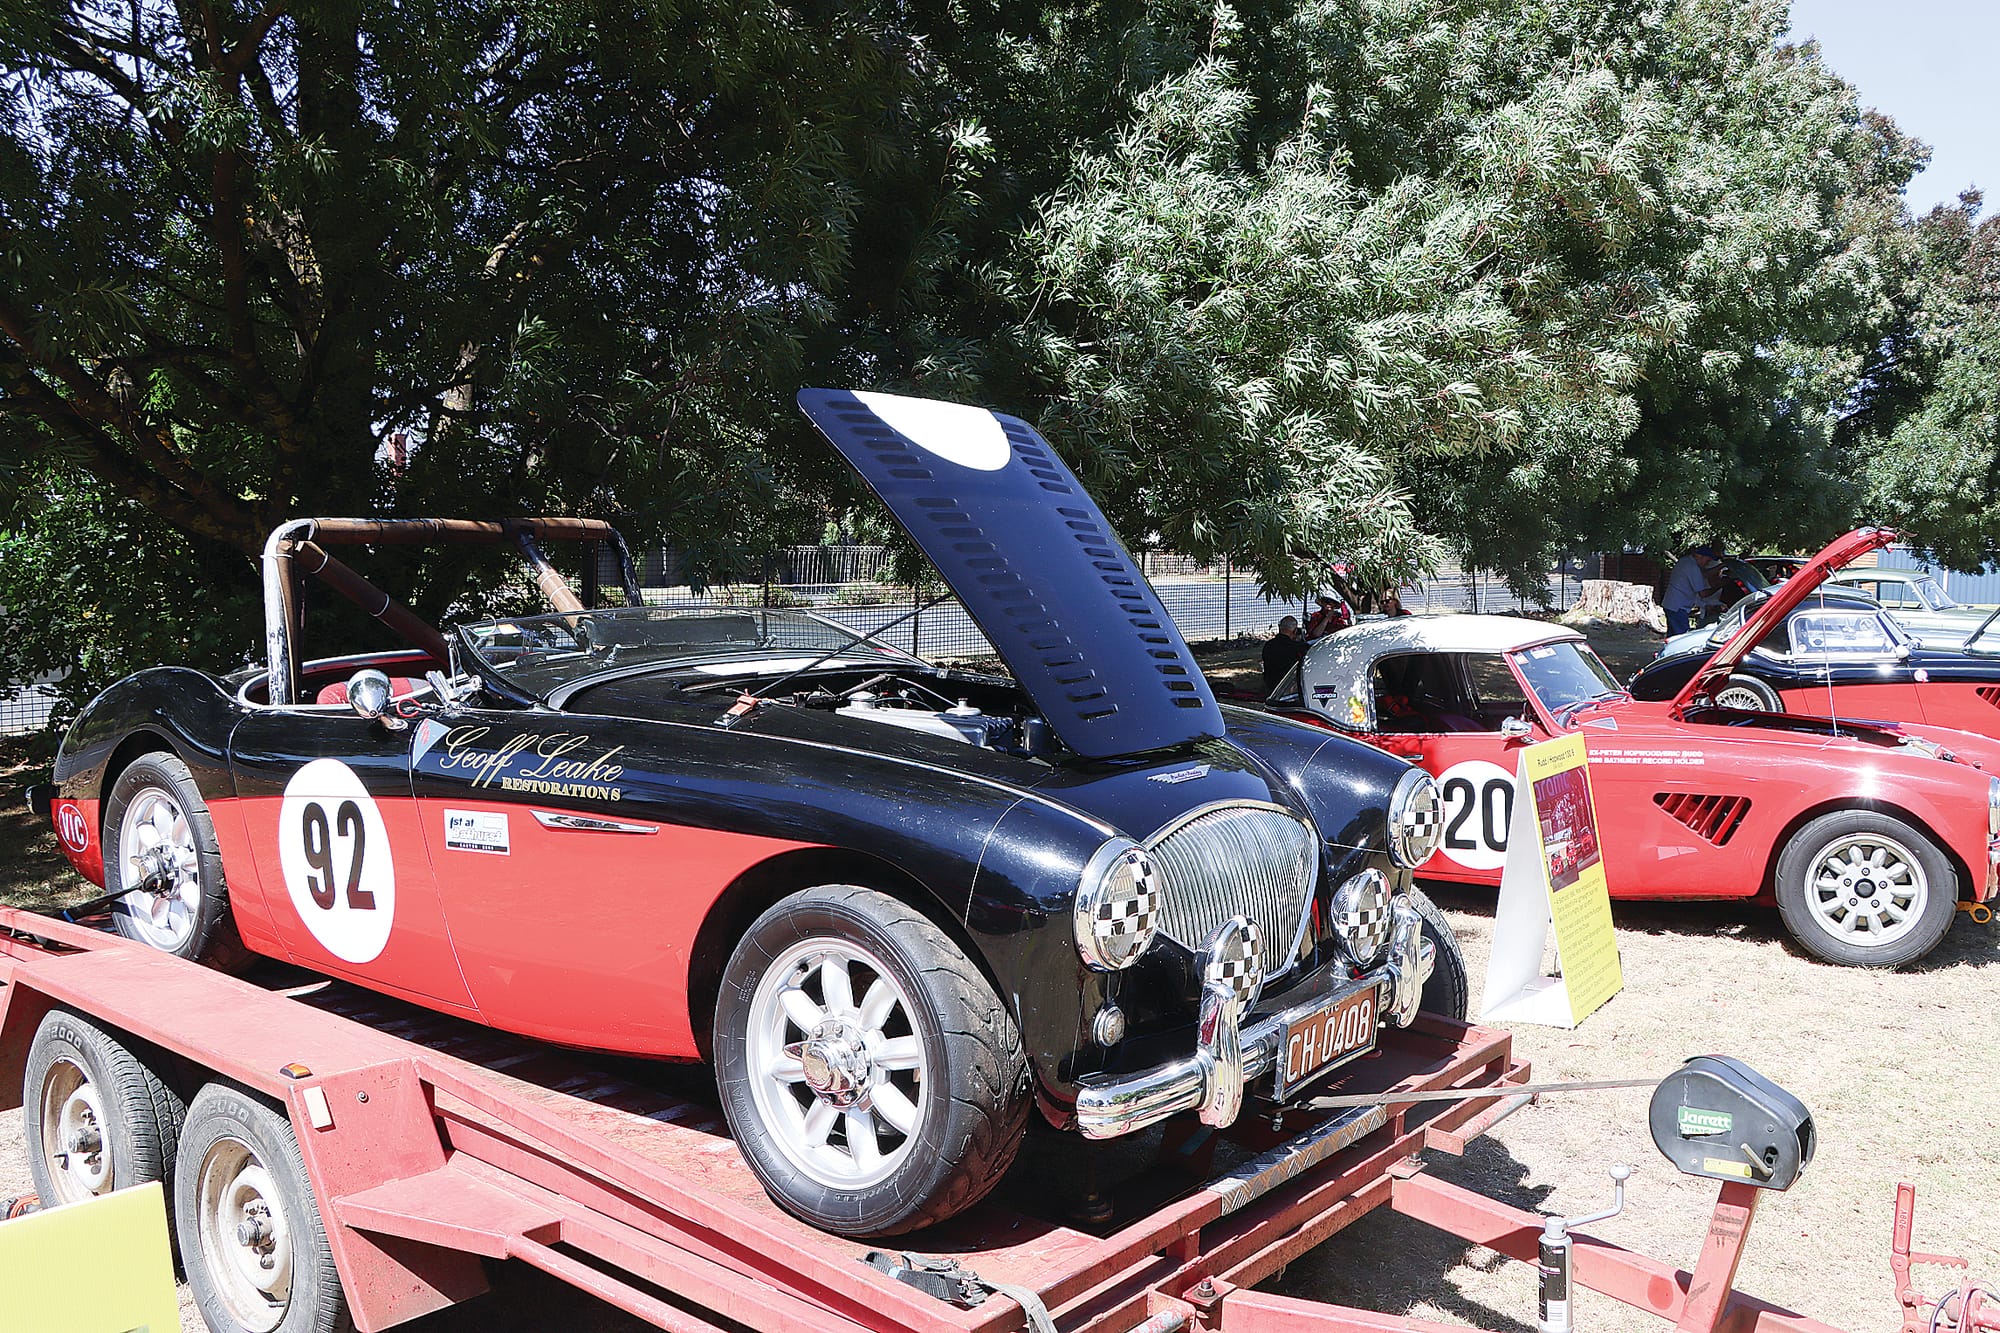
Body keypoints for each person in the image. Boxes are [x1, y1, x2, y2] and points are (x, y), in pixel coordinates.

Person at [1662, 545, 1719, 635]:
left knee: (1673, 636)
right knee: (1682, 637)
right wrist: (1720, 585)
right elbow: (1703, 593)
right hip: (1678, 607)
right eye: (1707, 561)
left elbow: (1704, 573)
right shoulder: (1693, 568)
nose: (1707, 563)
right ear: (1700, 556)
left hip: (1672, 604)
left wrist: (1721, 566)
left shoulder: (1685, 561)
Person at [1262, 616, 1308, 691]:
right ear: (1295, 631)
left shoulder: (1268, 645)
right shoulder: (1297, 648)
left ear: (1279, 628)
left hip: (1271, 684)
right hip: (1289, 685)